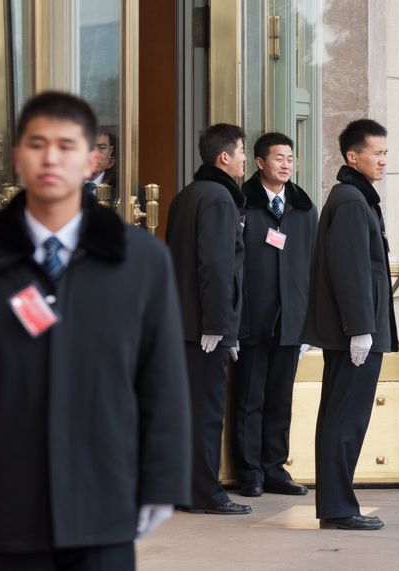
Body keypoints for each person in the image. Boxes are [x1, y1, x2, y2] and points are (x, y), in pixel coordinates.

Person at [0, 91, 191, 570]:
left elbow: (163, 382)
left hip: (108, 492)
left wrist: (163, 483)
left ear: (91, 158)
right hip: (12, 499)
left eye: (66, 145)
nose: (50, 157)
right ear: (16, 157)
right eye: (36, 144)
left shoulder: (142, 261)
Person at [302, 119, 397, 531]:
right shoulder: (350, 201)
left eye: (386, 153)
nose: (382, 161)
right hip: (355, 334)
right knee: (344, 420)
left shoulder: (357, 197)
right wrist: (360, 328)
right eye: (376, 153)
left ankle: (339, 503)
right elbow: (350, 269)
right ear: (351, 156)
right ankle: (339, 508)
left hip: (360, 330)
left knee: (345, 419)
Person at [166, 123, 252, 515]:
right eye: (241, 153)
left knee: (190, 409)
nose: (244, 161)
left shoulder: (187, 195)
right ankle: (205, 492)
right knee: (206, 411)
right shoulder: (219, 198)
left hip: (183, 323)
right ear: (224, 157)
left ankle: (186, 488)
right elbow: (216, 267)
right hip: (203, 327)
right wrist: (218, 326)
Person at [233, 132, 317, 498]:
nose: (285, 164)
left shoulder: (302, 207)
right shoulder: (243, 203)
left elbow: (314, 264)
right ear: (259, 162)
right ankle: (249, 470)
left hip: (291, 319)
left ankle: (274, 467)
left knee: (281, 397)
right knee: (250, 396)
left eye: (290, 158)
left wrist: (309, 319)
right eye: (278, 158)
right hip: (253, 316)